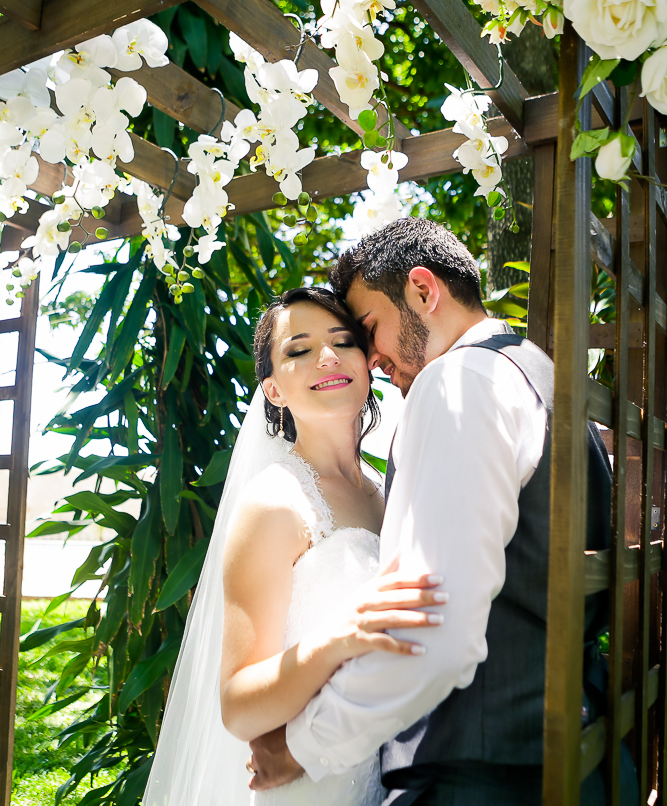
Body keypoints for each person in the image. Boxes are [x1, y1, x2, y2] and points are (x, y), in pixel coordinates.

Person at [247, 218, 626, 806]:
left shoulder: (457, 384)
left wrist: (304, 745)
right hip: (558, 751)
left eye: (368, 329)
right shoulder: (533, 369)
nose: (370, 357)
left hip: (481, 778)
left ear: (424, 291)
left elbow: (433, 632)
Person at [142, 286, 445, 806]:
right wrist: (340, 638)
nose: (327, 357)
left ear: (368, 363)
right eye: (299, 350)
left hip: (397, 775)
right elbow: (239, 706)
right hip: (314, 787)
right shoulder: (274, 504)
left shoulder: (391, 490)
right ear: (274, 390)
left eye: (343, 341)